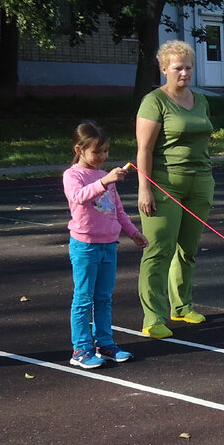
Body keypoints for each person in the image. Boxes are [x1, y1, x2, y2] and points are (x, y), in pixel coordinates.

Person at [135, 40, 215, 338]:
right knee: (158, 250)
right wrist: (145, 188)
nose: (184, 73)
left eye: (189, 67)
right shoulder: (154, 101)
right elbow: (144, 149)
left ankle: (181, 306)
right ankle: (153, 316)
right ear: (164, 68)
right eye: (178, 68)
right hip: (164, 185)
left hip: (200, 182)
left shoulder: (201, 100)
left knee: (188, 250)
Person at [64, 121, 149, 369]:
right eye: (97, 152)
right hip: (85, 246)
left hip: (108, 245)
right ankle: (81, 348)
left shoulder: (104, 176)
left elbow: (118, 210)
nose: (103, 157)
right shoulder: (73, 175)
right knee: (83, 298)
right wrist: (104, 182)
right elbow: (78, 197)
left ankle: (105, 343)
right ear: (79, 150)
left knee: (103, 297)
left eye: (105, 151)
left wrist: (133, 232)